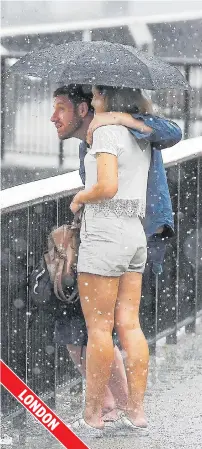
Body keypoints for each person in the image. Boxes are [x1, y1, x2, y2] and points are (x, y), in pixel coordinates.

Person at [51, 85, 181, 430]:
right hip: (134, 235)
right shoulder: (138, 136)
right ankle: (135, 411)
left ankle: (93, 414)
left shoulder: (107, 132)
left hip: (106, 236)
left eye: (95, 97)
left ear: (108, 98)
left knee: (98, 330)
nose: (94, 103)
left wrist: (80, 198)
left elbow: (106, 187)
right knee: (130, 326)